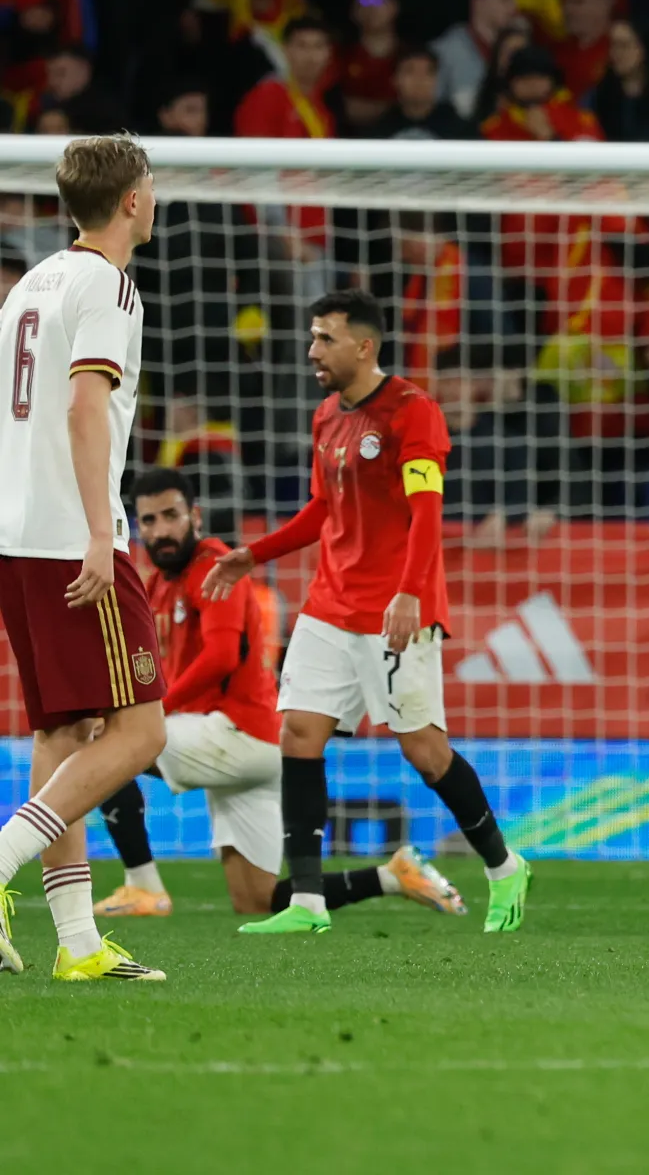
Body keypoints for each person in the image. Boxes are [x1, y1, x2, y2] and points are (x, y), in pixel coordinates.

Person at [202, 288, 533, 935]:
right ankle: (306, 902)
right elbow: (321, 510)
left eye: (325, 338)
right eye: (312, 336)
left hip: (394, 609)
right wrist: (252, 554)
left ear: (364, 346)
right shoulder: (327, 415)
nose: (312, 350)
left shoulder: (412, 412)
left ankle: (503, 866)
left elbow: (426, 513)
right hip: (330, 603)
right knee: (299, 733)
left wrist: (409, 593)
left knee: (425, 751)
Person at [93, 468, 465, 920]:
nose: (161, 531)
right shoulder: (157, 585)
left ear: (195, 516)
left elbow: (221, 657)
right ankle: (393, 876)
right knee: (256, 900)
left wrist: (152, 711)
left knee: (107, 745)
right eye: (149, 521)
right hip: (243, 753)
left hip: (237, 733)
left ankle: (142, 886)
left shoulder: (213, 567)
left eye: (171, 516)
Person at [0, 135, 167, 981]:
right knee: (141, 730)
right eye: (151, 184)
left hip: (17, 534)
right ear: (132, 200)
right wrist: (102, 533)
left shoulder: (31, 283)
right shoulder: (108, 284)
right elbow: (82, 407)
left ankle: (76, 943)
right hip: (73, 537)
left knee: (62, 732)